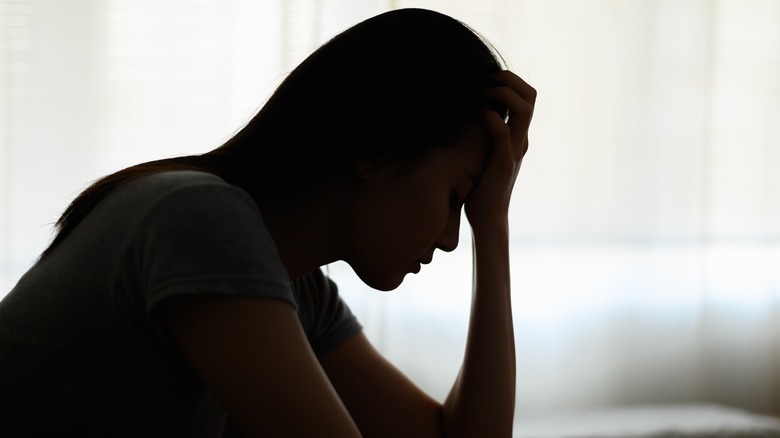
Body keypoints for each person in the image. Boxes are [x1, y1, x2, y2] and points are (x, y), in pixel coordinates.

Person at [0, 8, 535, 437]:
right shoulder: (199, 220)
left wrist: (493, 226)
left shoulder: (298, 290)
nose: (448, 238)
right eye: (455, 198)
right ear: (378, 151)